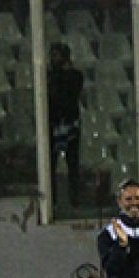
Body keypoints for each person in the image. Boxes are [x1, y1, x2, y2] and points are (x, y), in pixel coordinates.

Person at [47, 41, 85, 204]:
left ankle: (75, 198)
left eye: (55, 55)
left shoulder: (75, 76)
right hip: (53, 123)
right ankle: (52, 199)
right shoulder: (49, 76)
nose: (52, 59)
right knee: (50, 164)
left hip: (69, 123)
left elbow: (70, 93)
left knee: (72, 162)